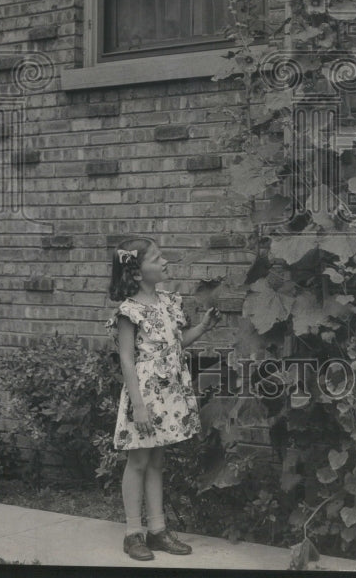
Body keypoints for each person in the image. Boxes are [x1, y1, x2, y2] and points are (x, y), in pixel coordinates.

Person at [107, 236, 220, 561]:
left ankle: (157, 530)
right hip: (144, 397)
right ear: (138, 273)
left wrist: (201, 327)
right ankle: (133, 533)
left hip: (168, 393)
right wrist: (138, 406)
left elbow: (175, 344)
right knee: (139, 460)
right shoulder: (129, 311)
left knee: (157, 460)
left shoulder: (170, 303)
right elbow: (127, 359)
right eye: (156, 259)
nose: (164, 262)